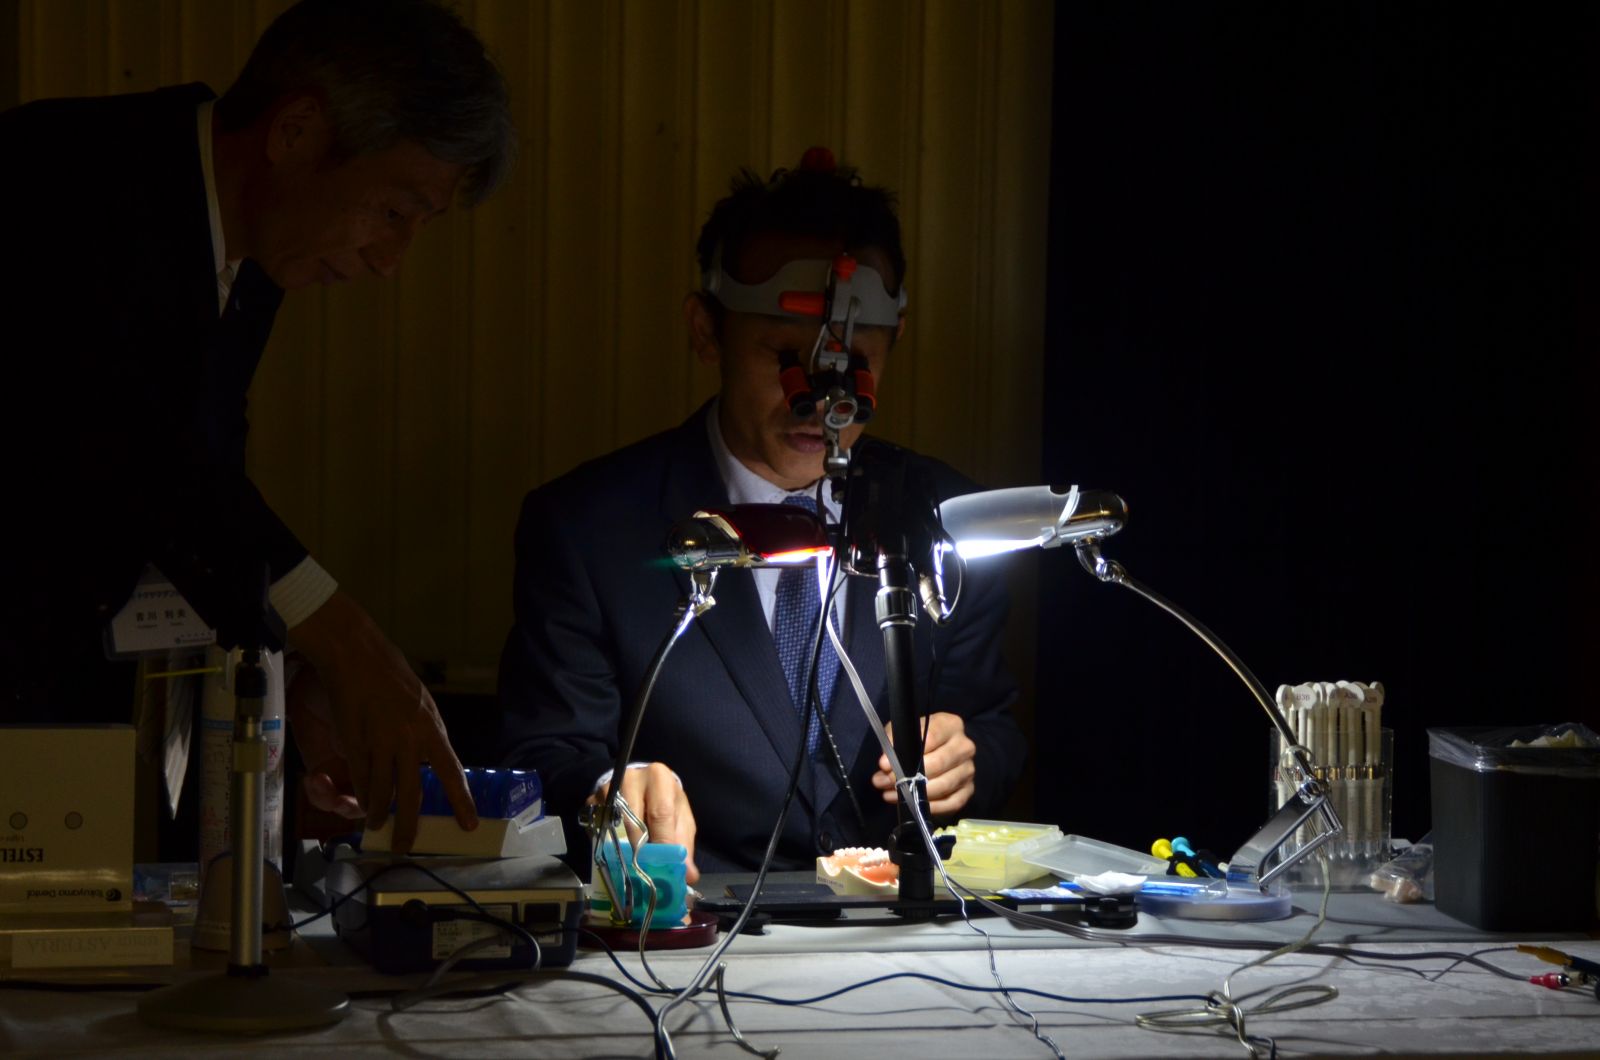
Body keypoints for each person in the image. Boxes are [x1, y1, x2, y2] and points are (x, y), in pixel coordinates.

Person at [0, 0, 516, 852]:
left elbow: (201, 482)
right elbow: (136, 456)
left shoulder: (252, 245)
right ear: (296, 132)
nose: (391, 263)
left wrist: (288, 660)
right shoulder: (70, 182)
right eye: (394, 212)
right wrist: (345, 642)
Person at [497, 153, 1027, 881]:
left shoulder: (949, 520)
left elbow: (993, 726)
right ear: (705, 331)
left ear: (896, 340)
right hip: (694, 915)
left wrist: (966, 758)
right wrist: (611, 791)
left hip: (895, 920)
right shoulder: (588, 530)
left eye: (855, 361)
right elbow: (546, 754)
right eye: (784, 356)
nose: (822, 401)